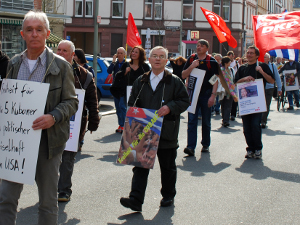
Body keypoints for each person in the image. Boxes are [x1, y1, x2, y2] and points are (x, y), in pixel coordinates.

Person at [0, 11, 78, 225]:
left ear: (47, 33)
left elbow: (72, 102)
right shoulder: (14, 63)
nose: (34, 34)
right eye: (29, 30)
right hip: (17, 142)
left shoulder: (62, 65)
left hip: (48, 143)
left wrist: (53, 117)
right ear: (22, 34)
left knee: (47, 202)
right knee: (6, 198)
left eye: (39, 29)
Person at [120, 46, 189, 211]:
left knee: (168, 168)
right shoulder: (141, 81)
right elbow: (131, 103)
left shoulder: (174, 81)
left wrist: (170, 107)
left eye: (161, 56)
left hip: (166, 131)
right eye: (154, 56)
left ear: (166, 61)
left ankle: (168, 196)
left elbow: (184, 101)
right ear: (149, 60)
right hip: (144, 130)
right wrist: (133, 118)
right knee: (140, 167)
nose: (157, 59)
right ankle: (135, 200)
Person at [56, 40, 100, 202]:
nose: (60, 53)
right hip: (50, 122)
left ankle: (64, 190)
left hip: (74, 124)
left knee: (67, 157)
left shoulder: (84, 75)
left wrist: (94, 119)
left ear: (73, 54)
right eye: (58, 50)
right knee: (51, 157)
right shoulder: (47, 69)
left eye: (64, 51)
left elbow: (92, 99)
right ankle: (50, 187)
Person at [234, 45, 274, 159]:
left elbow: (271, 80)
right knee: (246, 127)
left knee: (255, 125)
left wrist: (261, 72)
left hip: (258, 102)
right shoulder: (242, 68)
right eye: (248, 52)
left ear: (257, 55)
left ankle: (258, 149)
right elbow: (235, 82)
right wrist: (244, 79)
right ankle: (250, 148)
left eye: (252, 53)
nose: (249, 55)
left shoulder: (263, 66)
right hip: (245, 102)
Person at [182, 39, 219, 156]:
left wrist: (213, 95)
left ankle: (205, 144)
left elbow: (215, 79)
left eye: (202, 46)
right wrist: (192, 66)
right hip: (193, 94)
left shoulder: (211, 61)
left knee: (206, 121)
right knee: (192, 121)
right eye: (198, 45)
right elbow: (183, 75)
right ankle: (190, 147)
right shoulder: (191, 59)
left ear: (207, 49)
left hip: (206, 94)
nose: (199, 47)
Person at [114, 46, 150, 129]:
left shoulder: (145, 67)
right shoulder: (126, 65)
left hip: (140, 93)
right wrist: (124, 72)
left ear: (140, 54)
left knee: (137, 110)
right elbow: (117, 76)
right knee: (123, 107)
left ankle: (136, 126)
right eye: (133, 51)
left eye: (136, 52)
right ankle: (123, 125)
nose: (133, 53)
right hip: (125, 92)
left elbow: (149, 80)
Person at [107, 47, 127, 133]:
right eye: (118, 53)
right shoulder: (115, 64)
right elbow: (109, 71)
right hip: (115, 89)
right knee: (118, 108)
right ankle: (120, 124)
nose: (119, 55)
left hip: (123, 88)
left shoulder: (127, 64)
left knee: (123, 106)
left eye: (121, 53)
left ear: (124, 54)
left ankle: (125, 125)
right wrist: (113, 61)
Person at [262, 53, 282, 128]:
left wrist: (279, 88)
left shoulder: (273, 66)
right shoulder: (260, 65)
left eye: (265, 57)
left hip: (269, 88)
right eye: (263, 57)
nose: (264, 58)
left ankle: (263, 121)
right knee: (261, 105)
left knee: (266, 104)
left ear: (269, 58)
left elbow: (277, 77)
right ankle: (259, 119)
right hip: (261, 87)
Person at [219, 56, 237, 127]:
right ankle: (224, 119)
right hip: (223, 90)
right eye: (229, 61)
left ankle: (226, 120)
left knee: (228, 106)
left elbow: (234, 78)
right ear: (226, 63)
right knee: (223, 105)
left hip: (230, 90)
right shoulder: (220, 70)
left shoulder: (232, 70)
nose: (230, 63)